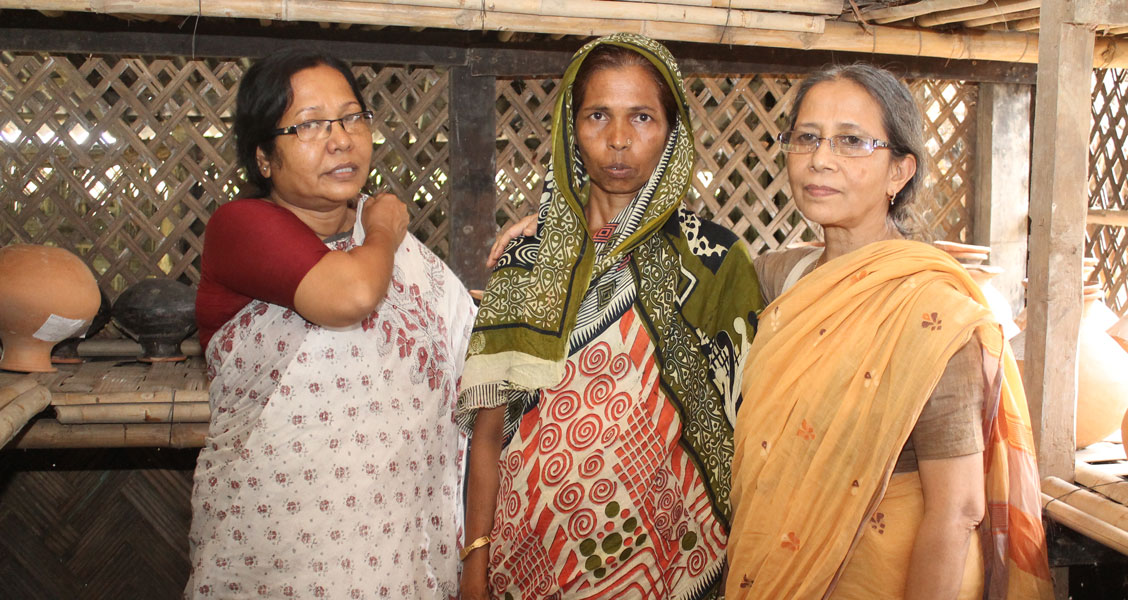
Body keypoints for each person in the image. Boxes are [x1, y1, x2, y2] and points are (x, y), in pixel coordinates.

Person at [725, 64, 1053, 599]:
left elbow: (959, 509)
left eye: (852, 141)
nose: (820, 158)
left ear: (900, 172)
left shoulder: (933, 314)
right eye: (807, 138)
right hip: (773, 574)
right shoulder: (778, 280)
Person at [457, 33, 762, 600]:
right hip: (525, 564)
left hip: (668, 566)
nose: (619, 140)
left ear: (673, 132)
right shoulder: (526, 261)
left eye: (642, 117)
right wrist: (475, 561)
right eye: (598, 115)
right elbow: (488, 432)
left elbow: (752, 434)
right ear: (570, 130)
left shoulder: (716, 261)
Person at [187, 48, 476, 599]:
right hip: (282, 549)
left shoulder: (387, 248)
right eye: (310, 125)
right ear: (264, 158)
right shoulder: (242, 226)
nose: (341, 139)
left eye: (351, 117)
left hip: (401, 545)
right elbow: (351, 295)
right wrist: (385, 227)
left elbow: (463, 338)